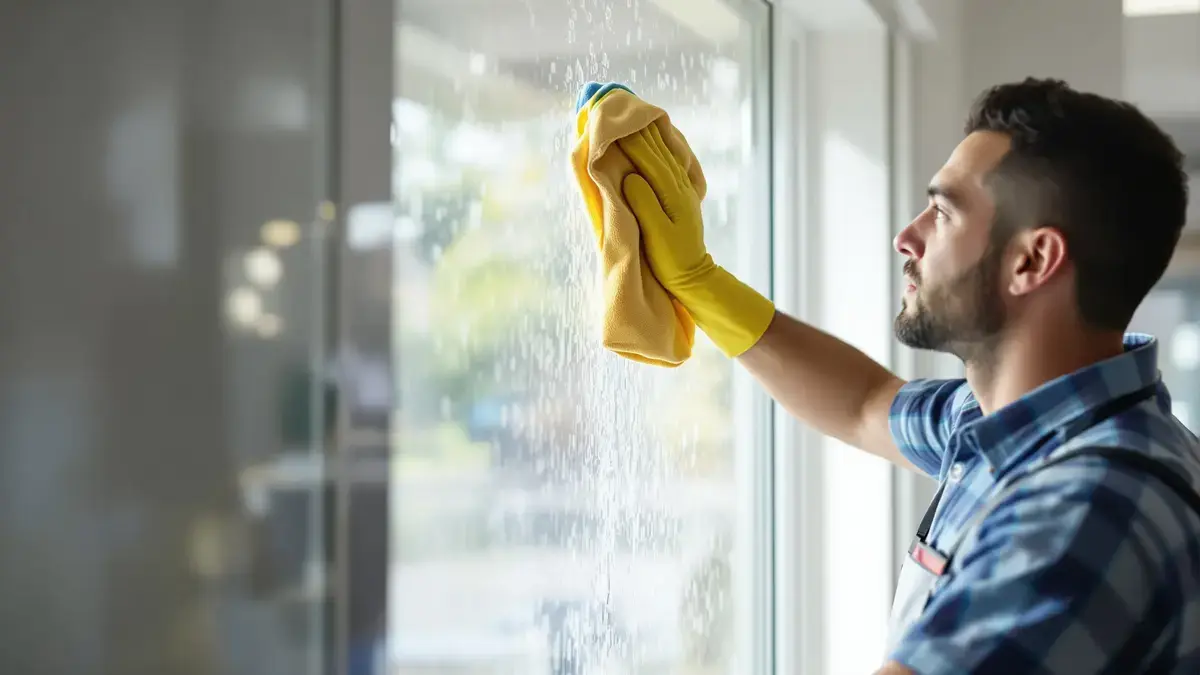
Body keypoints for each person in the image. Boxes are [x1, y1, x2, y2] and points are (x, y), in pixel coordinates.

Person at [617, 77, 1200, 674]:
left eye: (943, 212)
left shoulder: (1084, 506)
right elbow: (865, 405)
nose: (906, 237)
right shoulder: (1026, 420)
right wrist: (698, 281)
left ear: (1031, 260)